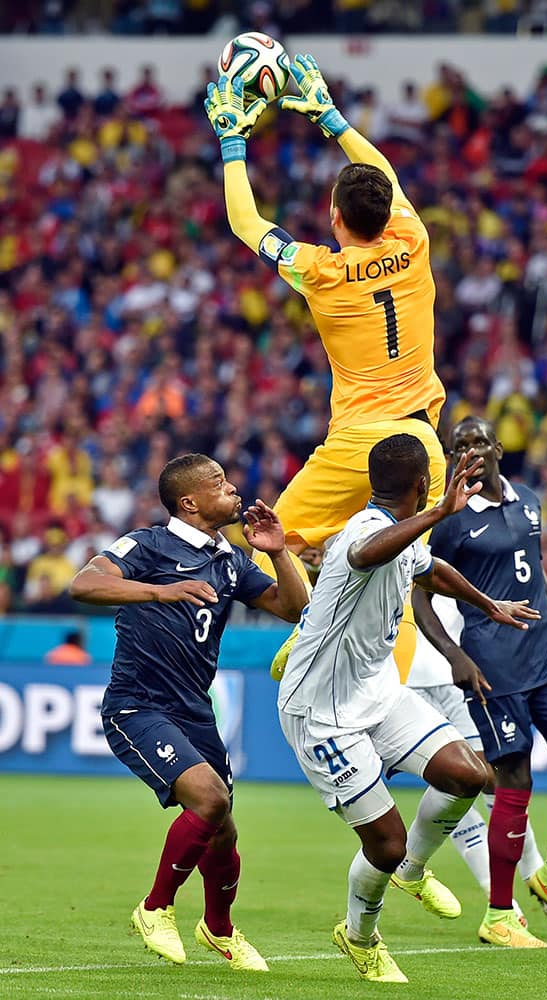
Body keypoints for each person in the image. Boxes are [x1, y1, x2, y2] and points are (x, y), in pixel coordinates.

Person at [204, 56, 447, 675]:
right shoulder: (412, 243)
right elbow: (383, 176)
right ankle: (398, 690)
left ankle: (313, 632)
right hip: (425, 442)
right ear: (386, 211)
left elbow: (244, 221)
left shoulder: (318, 271)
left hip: (360, 443)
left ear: (335, 218)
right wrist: (330, 117)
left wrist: (233, 141)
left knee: (266, 546)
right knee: (398, 585)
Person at [277, 433, 544, 983]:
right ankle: (360, 936)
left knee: (469, 772)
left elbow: (429, 569)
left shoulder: (403, 534)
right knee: (384, 841)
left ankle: (413, 870)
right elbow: (363, 553)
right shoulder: (365, 530)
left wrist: (487, 603)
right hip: (320, 711)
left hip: (377, 691)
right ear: (423, 484)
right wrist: (438, 513)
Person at [69, 454, 308, 970]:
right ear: (190, 502)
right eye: (220, 483)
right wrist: (159, 590)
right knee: (209, 798)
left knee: (223, 826)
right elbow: (84, 583)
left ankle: (219, 930)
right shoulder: (148, 544)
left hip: (195, 710)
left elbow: (292, 608)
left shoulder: (230, 559)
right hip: (138, 705)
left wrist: (280, 552)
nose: (234, 490)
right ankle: (155, 908)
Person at [414, 416, 547, 944]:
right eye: (461, 446)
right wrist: (455, 655)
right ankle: (500, 914)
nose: (472, 450)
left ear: (499, 447)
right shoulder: (452, 522)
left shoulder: (527, 499)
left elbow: (531, 565)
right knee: (514, 782)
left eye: (479, 440)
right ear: (455, 458)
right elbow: (421, 594)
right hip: (493, 668)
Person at [406, 596, 547, 934]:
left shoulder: (447, 543)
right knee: (455, 786)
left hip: (456, 670)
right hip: (402, 681)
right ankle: (500, 898)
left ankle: (535, 875)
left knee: (494, 778)